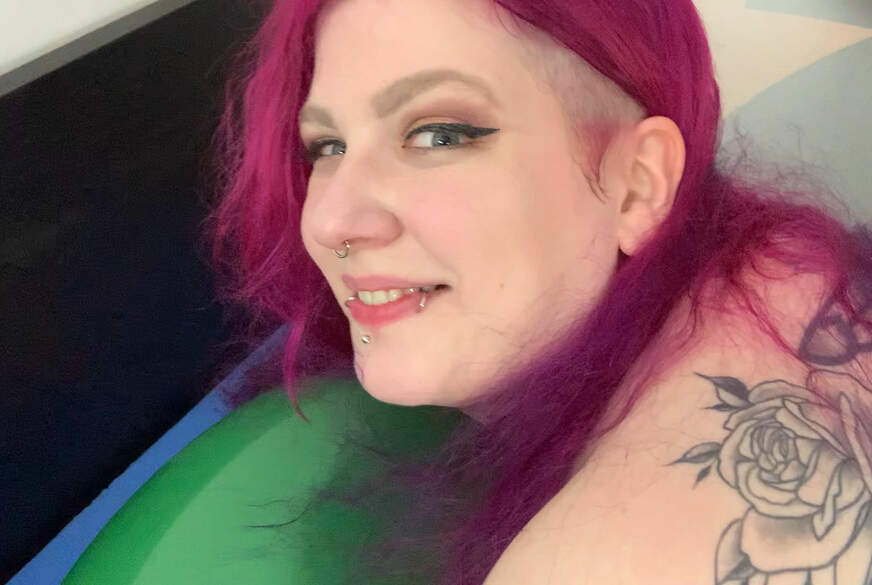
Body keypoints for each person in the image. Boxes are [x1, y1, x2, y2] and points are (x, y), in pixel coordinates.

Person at [204, 0, 872, 583]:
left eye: (437, 134)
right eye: (326, 147)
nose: (329, 221)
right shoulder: (781, 268)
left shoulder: (602, 561)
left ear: (638, 185)